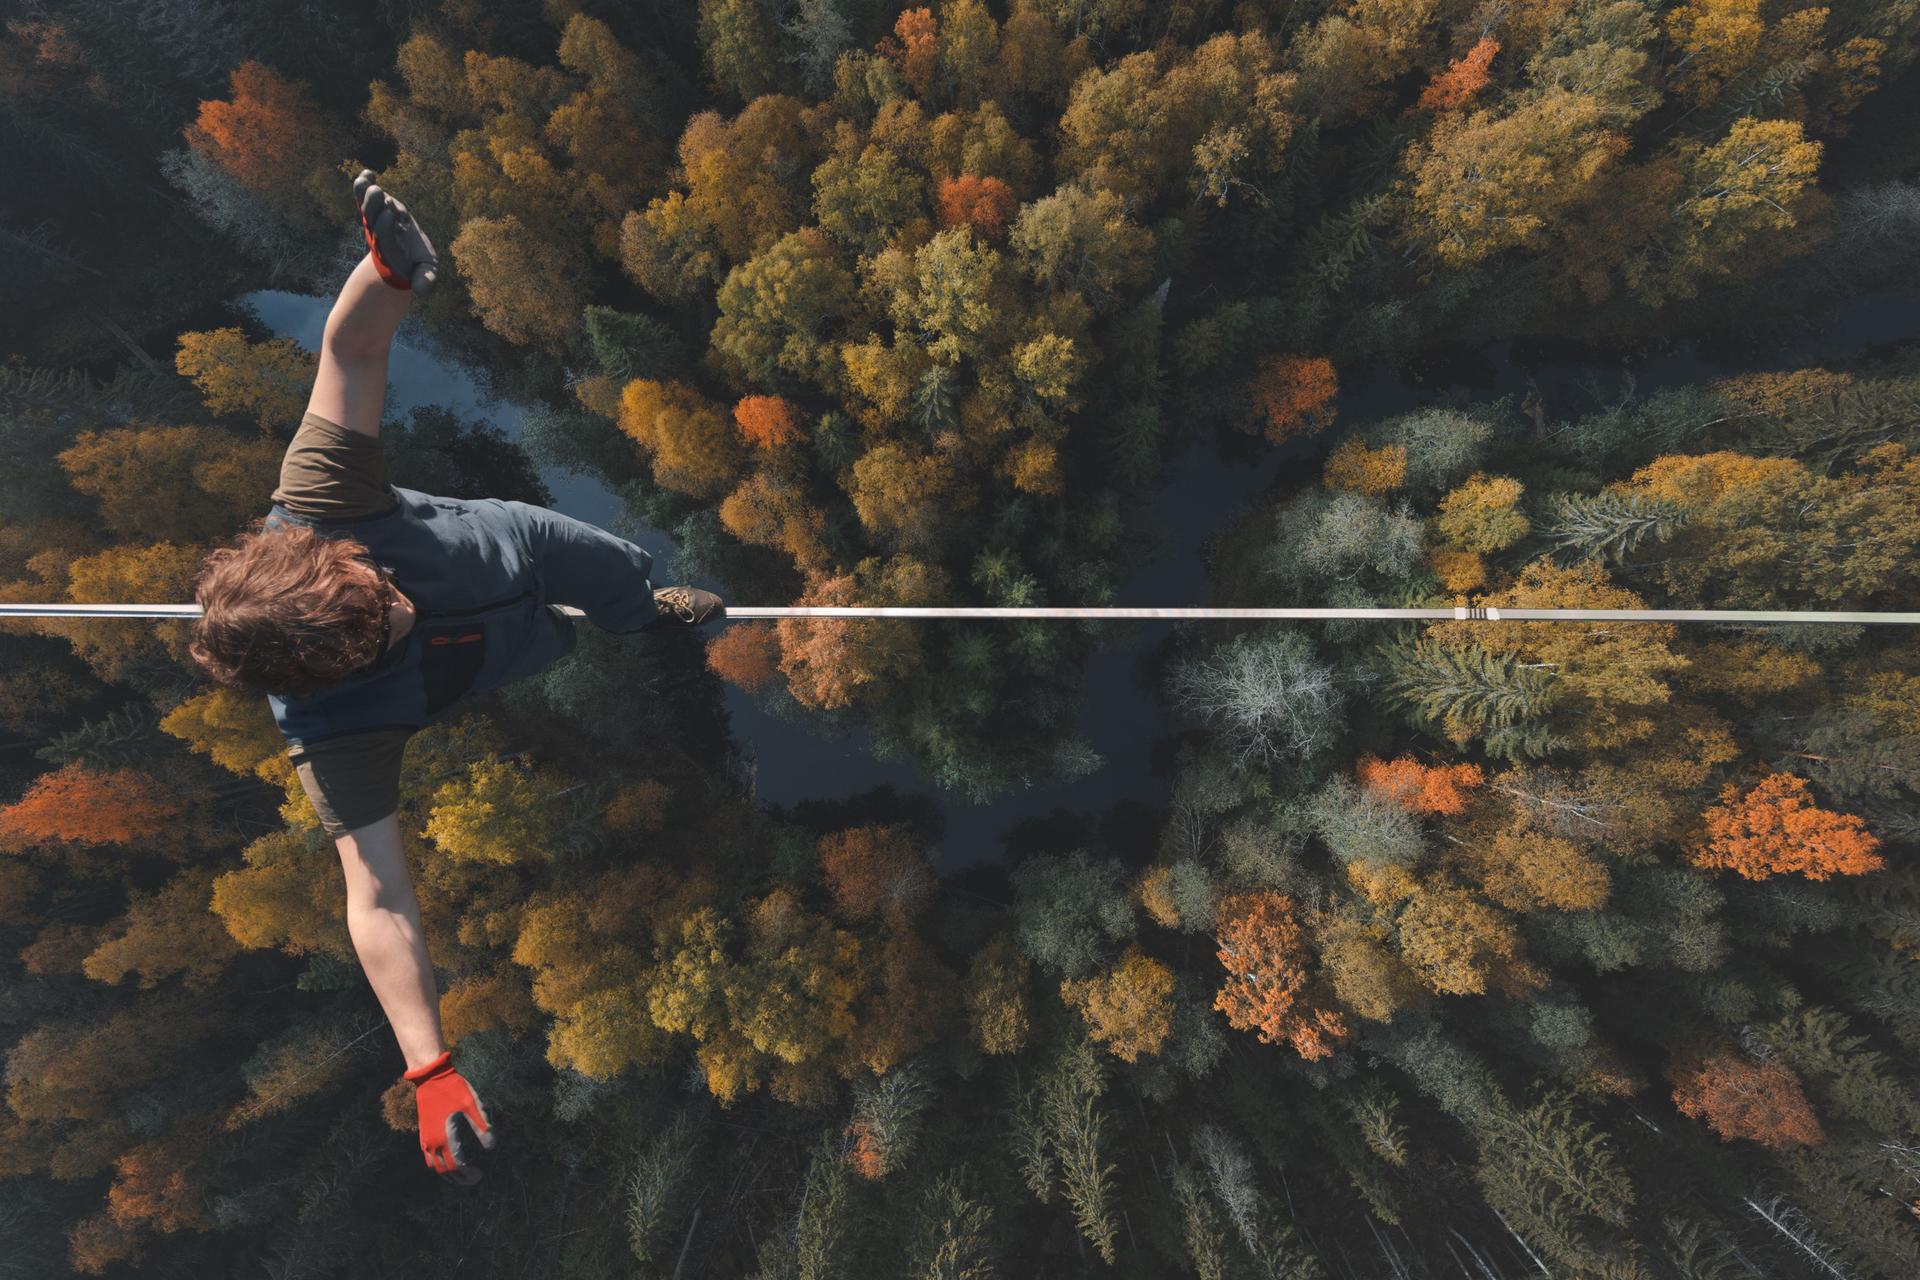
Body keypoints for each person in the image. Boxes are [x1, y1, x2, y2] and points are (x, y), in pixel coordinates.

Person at [187, 172, 723, 1184]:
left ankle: (641, 612)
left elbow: (349, 353)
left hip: (510, 546)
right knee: (550, 644)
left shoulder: (316, 502)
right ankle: (593, 626)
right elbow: (378, 901)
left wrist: (387, 275)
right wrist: (427, 1063)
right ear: (327, 676)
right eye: (376, 633)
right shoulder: (328, 734)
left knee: (616, 576)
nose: (400, 608)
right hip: (488, 655)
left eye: (378, 590)